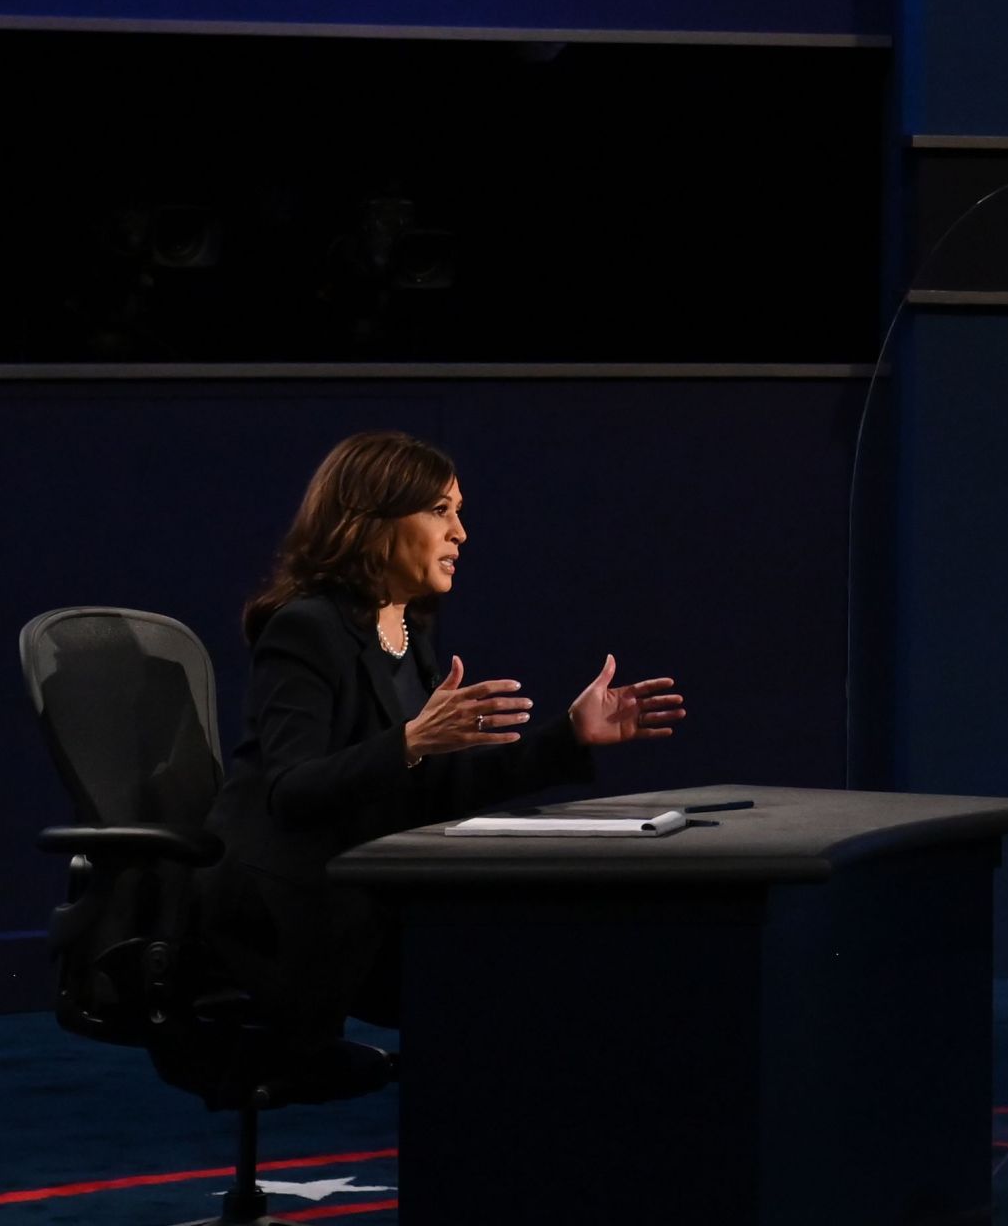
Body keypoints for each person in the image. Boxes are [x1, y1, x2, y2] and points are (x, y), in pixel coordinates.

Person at [199, 430, 685, 1045]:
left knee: (544, 956)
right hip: (291, 908)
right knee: (502, 975)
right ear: (372, 521)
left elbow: (434, 789)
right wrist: (407, 743)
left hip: (373, 893)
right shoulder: (307, 629)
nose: (460, 533)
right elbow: (289, 793)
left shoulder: (408, 633)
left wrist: (569, 736)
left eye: (458, 512)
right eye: (440, 511)